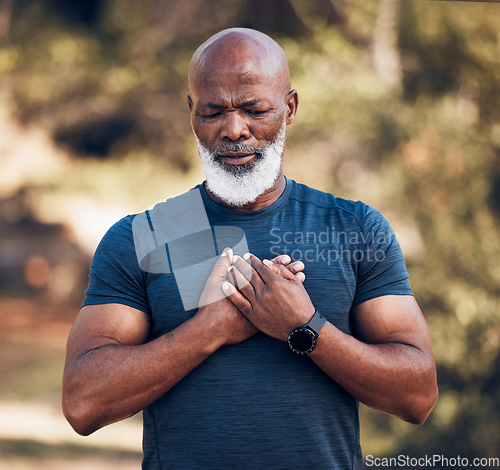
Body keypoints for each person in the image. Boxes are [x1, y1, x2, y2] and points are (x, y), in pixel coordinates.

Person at [62, 28, 438, 469]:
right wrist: (211, 329)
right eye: (212, 112)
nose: (234, 129)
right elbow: (83, 404)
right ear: (190, 111)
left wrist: (304, 327)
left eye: (254, 109)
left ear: (290, 108)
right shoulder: (154, 232)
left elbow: (418, 396)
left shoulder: (352, 228)